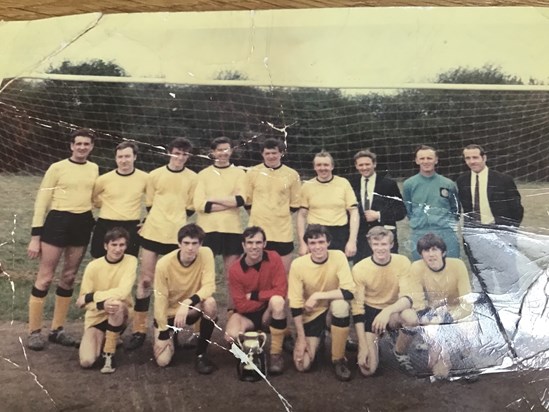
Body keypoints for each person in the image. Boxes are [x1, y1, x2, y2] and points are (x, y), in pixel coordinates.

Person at [27, 128, 98, 351]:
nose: (82, 147)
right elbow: (42, 201)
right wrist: (35, 237)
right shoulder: (57, 168)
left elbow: (97, 198)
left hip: (82, 222)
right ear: (71, 145)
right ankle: (34, 331)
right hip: (57, 222)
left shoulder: (94, 168)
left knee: (68, 277)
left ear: (91, 147)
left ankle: (57, 330)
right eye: (78, 143)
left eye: (86, 144)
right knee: (45, 278)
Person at [126, 137, 197, 350]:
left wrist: (174, 222)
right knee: (146, 281)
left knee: (172, 285)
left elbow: (191, 207)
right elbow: (149, 203)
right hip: (152, 233)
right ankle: (139, 330)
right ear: (169, 152)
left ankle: (171, 330)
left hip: (176, 238)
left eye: (184, 154)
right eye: (176, 153)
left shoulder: (193, 178)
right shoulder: (155, 175)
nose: (180, 158)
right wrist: (158, 220)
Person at [396, 233, 473, 378]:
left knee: (468, 324)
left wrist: (449, 317)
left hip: (455, 312)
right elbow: (417, 301)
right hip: (433, 313)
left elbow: (467, 301)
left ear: (443, 252)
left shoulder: (457, 265)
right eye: (426, 251)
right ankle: (400, 353)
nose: (431, 255)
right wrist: (431, 317)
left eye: (434, 250)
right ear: (421, 254)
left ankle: (466, 358)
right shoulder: (417, 267)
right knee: (440, 374)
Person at [288, 224, 356, 381]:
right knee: (302, 365)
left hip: (331, 310)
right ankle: (318, 340)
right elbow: (296, 305)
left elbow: (349, 292)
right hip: (311, 314)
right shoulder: (298, 265)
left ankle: (338, 358)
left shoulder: (338, 256)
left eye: (321, 242)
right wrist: (301, 339)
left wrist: (318, 295)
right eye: (312, 243)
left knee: (341, 305)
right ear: (307, 245)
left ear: (328, 242)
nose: (317, 247)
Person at [456, 144, 524, 294]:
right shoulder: (462, 181)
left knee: (507, 276)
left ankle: (511, 308)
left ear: (484, 157)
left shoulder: (503, 180)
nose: (472, 161)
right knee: (481, 276)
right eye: (468, 158)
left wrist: (508, 232)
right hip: (475, 235)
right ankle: (486, 308)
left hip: (500, 233)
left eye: (475, 157)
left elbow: (517, 209)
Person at [153, 223, 217, 374]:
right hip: (169, 313)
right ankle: (170, 336)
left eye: (195, 243)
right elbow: (160, 299)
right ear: (179, 244)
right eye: (186, 243)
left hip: (190, 309)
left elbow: (209, 286)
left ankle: (201, 354)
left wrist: (188, 302)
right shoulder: (164, 264)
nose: (190, 248)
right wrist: (162, 331)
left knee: (210, 304)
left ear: (200, 244)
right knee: (163, 361)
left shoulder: (206, 253)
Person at [351, 226, 413, 377]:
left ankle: (400, 352)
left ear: (391, 244)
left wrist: (387, 311)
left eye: (384, 244)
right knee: (368, 370)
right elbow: (358, 310)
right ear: (370, 244)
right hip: (371, 313)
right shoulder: (360, 268)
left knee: (411, 318)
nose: (380, 248)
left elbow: (408, 298)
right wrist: (363, 345)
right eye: (376, 244)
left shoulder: (403, 262)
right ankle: (373, 342)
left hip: (393, 311)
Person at [226, 226, 288, 374]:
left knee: (278, 301)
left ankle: (275, 354)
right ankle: (249, 347)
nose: (254, 247)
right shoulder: (235, 270)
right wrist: (264, 299)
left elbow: (281, 291)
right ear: (243, 245)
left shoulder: (274, 257)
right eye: (250, 242)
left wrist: (254, 295)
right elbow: (241, 305)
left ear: (264, 244)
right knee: (230, 337)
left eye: (258, 242)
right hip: (248, 314)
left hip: (269, 310)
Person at [193, 136, 247, 304]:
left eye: (226, 149)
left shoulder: (239, 173)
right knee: (203, 277)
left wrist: (214, 199)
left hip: (232, 229)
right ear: (212, 152)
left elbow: (240, 200)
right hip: (207, 229)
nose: (223, 153)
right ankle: (202, 316)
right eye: (219, 150)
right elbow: (200, 205)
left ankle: (232, 314)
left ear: (231, 151)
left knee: (232, 277)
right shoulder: (203, 175)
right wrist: (228, 203)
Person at [76, 227, 137, 374]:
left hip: (121, 312)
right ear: (105, 246)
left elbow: (123, 292)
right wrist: (100, 304)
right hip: (96, 316)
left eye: (122, 245)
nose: (117, 249)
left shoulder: (131, 261)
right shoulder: (93, 266)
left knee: (116, 304)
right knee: (87, 361)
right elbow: (81, 303)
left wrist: (92, 296)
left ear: (126, 246)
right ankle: (107, 337)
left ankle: (109, 353)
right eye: (114, 245)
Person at [245, 138, 301, 273]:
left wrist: (279, 215)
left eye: (274, 153)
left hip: (282, 232)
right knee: (257, 272)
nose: (271, 156)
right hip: (258, 230)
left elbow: (295, 203)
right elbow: (247, 202)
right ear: (262, 154)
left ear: (281, 153)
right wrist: (261, 214)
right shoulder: (252, 173)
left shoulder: (292, 174)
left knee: (282, 273)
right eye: (267, 153)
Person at [90, 141, 147, 258]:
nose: (124, 160)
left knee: (127, 263)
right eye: (120, 157)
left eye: (127, 156)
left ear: (134, 157)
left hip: (130, 226)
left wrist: (147, 222)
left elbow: (155, 200)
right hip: (105, 224)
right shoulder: (104, 179)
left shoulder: (145, 178)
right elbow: (93, 197)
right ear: (115, 158)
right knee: (100, 262)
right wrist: (102, 205)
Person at [297, 150, 359, 259]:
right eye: (319, 165)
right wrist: (303, 243)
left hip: (339, 233)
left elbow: (353, 211)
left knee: (338, 269)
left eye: (326, 165)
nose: (322, 168)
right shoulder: (307, 186)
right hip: (315, 233)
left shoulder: (343, 183)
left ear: (332, 166)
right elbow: (302, 215)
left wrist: (352, 241)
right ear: (314, 167)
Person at [402, 145, 460, 261]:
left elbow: (455, 210)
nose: (426, 161)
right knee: (422, 271)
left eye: (429, 158)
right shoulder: (409, 184)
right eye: (422, 158)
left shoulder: (448, 184)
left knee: (450, 267)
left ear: (436, 160)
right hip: (420, 233)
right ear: (417, 161)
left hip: (445, 233)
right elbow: (408, 210)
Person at [349, 149, 407, 262]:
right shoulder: (351, 184)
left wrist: (379, 215)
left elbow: (401, 211)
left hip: (384, 236)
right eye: (361, 165)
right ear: (356, 166)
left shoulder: (388, 184)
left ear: (374, 164)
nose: (364, 167)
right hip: (361, 238)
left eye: (367, 164)